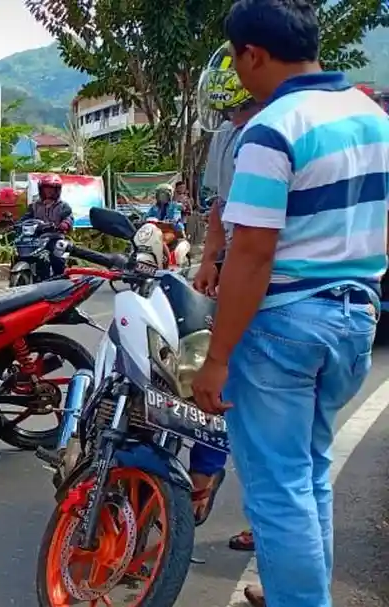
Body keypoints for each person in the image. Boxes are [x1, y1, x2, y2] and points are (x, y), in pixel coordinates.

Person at [191, 1, 388, 607]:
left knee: (277, 488)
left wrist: (217, 357)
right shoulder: (371, 114)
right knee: (308, 476)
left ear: (252, 54)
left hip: (284, 324)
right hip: (355, 316)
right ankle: (293, 599)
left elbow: (250, 254)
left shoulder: (272, 129)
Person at [191, 45, 266, 551]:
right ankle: (205, 475)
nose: (237, 120)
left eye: (242, 110)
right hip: (240, 265)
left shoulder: (281, 126)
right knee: (211, 385)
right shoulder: (225, 135)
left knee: (250, 398)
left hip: (271, 276)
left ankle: (269, 527)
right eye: (230, 114)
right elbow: (220, 203)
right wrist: (209, 259)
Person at [22, 174, 74, 275]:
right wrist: (15, 225)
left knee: (56, 257)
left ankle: (60, 277)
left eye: (51, 189)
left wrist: (65, 224)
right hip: (37, 238)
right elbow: (25, 218)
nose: (48, 191)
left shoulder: (63, 206)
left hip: (55, 237)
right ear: (41, 189)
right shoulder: (34, 206)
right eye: (46, 188)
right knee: (21, 252)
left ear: (57, 190)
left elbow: (69, 217)